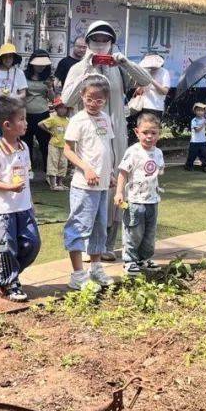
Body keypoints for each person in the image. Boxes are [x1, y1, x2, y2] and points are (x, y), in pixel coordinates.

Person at [62, 21, 152, 261]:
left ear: (112, 43)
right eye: (96, 40)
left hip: (117, 137)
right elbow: (68, 100)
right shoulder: (78, 68)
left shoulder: (118, 68)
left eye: (105, 40)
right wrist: (86, 68)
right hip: (89, 141)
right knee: (89, 191)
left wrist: (124, 62)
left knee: (116, 189)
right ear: (88, 42)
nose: (100, 45)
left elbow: (145, 81)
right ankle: (85, 247)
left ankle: (106, 245)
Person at [63, 75, 117, 290]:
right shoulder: (78, 120)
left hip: (103, 185)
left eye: (99, 100)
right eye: (89, 99)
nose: (93, 104)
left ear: (105, 100)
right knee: (78, 227)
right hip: (84, 187)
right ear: (82, 97)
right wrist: (86, 168)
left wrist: (110, 173)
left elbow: (107, 148)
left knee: (99, 229)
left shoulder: (105, 118)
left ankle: (95, 268)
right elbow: (67, 149)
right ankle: (77, 275)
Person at [0, 98, 41, 302]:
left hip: (24, 207)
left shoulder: (24, 147)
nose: (26, 123)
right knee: (7, 247)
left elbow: (25, 176)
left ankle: (6, 275)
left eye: (25, 119)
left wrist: (31, 202)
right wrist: (10, 187)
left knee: (32, 244)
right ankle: (10, 284)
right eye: (22, 119)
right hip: (4, 210)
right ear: (7, 125)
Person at [115, 112, 165, 276]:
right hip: (135, 200)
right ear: (137, 132)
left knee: (149, 233)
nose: (149, 137)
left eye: (153, 133)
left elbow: (158, 171)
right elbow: (123, 172)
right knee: (133, 231)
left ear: (159, 133)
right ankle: (129, 261)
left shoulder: (158, 152)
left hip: (153, 200)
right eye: (145, 132)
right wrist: (119, 193)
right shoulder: (133, 151)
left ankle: (144, 259)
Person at [23, 48, 55, 175]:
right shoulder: (23, 75)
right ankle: (27, 172)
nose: (41, 67)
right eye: (38, 64)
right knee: (26, 143)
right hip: (26, 114)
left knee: (45, 144)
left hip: (43, 113)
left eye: (44, 64)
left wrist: (49, 87)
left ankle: (49, 172)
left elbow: (52, 99)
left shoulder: (48, 78)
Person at [0, 42, 27, 109]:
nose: (7, 59)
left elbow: (23, 94)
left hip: (12, 110)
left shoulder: (19, 73)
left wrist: (12, 97)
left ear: (13, 58)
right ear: (1, 57)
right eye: (5, 56)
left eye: (10, 56)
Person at [39, 98, 70, 190]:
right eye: (60, 108)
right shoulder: (53, 118)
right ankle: (53, 185)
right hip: (54, 145)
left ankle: (60, 183)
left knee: (63, 164)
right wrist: (50, 131)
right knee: (53, 163)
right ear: (56, 109)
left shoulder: (67, 120)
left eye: (64, 108)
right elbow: (40, 124)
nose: (63, 110)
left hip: (64, 145)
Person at [186, 102, 206, 171]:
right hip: (194, 141)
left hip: (203, 141)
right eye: (198, 110)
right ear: (195, 111)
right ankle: (189, 166)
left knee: (204, 155)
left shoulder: (204, 120)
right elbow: (197, 130)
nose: (200, 112)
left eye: (202, 110)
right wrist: (204, 124)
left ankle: (205, 166)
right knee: (192, 155)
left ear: (204, 112)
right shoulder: (194, 120)